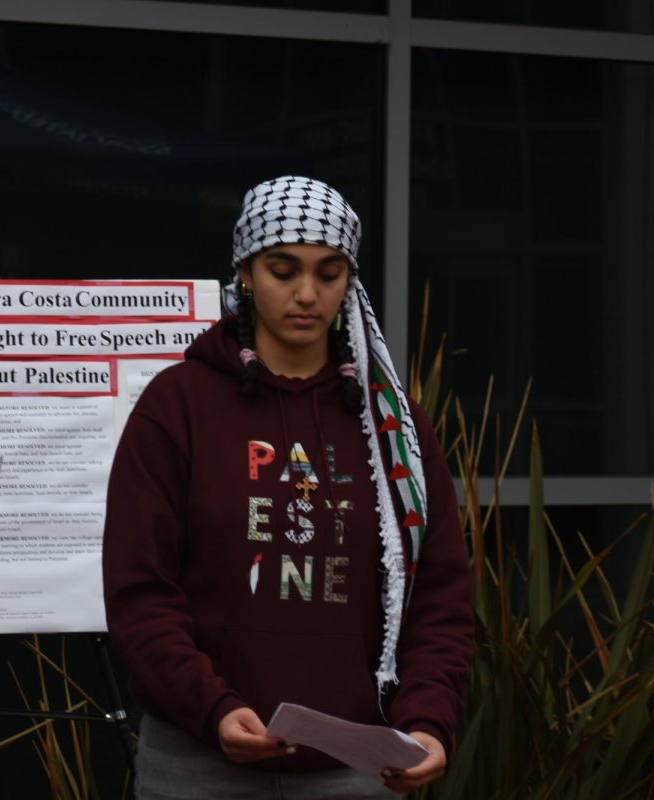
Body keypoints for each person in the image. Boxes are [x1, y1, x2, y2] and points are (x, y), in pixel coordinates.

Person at [102, 176, 473, 798]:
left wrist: (429, 722)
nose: (307, 294)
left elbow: (437, 595)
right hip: (199, 764)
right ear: (245, 273)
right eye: (283, 270)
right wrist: (212, 707)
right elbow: (139, 591)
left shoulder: (391, 424)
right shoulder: (179, 405)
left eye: (330, 274)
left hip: (358, 766)